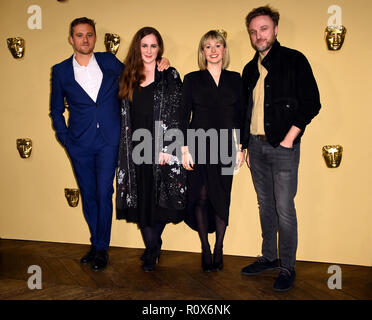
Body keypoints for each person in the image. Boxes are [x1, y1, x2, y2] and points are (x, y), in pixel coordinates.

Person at [50, 18, 169, 271]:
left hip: (110, 141)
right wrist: (66, 139)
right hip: (79, 143)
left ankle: (102, 248)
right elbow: (56, 110)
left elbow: (138, 72)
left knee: (104, 192)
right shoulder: (60, 71)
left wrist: (161, 65)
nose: (85, 39)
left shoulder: (108, 62)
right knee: (89, 194)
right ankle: (96, 243)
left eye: (89, 35)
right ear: (71, 39)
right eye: (79, 35)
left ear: (94, 38)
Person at [240, 6, 321, 291]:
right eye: (253, 31)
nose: (258, 35)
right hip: (255, 148)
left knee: (284, 208)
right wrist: (244, 146)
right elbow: (244, 111)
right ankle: (269, 257)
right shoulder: (249, 69)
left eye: (263, 29)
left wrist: (290, 138)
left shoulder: (294, 60)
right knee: (265, 206)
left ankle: (287, 266)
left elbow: (312, 102)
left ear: (275, 29)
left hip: (283, 148)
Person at [116, 27, 186, 272]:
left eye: (153, 46)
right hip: (135, 147)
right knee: (142, 199)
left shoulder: (169, 74)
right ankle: (153, 247)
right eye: (144, 46)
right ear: (138, 47)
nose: (148, 51)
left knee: (160, 200)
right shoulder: (128, 75)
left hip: (162, 148)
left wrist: (169, 147)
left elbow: (178, 112)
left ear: (160, 49)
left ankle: (152, 247)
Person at [181, 30, 244, 272]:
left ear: (224, 50)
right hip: (198, 145)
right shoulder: (192, 79)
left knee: (222, 199)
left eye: (218, 45)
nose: (214, 50)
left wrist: (241, 147)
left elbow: (241, 115)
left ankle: (219, 247)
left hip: (226, 147)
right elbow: (183, 115)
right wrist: (184, 149)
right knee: (201, 197)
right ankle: (205, 249)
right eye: (208, 46)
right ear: (203, 52)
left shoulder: (236, 79)